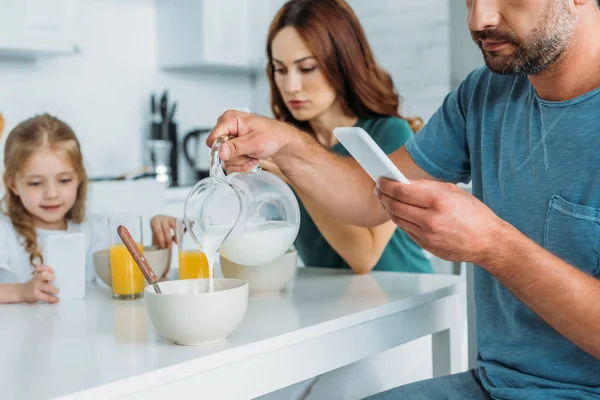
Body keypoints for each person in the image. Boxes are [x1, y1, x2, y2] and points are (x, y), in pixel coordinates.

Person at [207, 0, 600, 398]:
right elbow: (371, 196)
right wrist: (286, 144)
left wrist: (494, 245)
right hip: (495, 387)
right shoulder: (483, 94)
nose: (478, 19)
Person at [152, 0, 432, 276]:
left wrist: (292, 166)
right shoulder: (280, 140)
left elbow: (363, 258)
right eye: (280, 69)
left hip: (403, 295)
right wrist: (182, 226)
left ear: (343, 62)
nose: (291, 86)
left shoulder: (389, 134)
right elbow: (247, 221)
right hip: (333, 302)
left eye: (307, 68)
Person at [0, 114, 92, 304]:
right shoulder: (4, 233)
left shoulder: (93, 230)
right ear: (13, 184)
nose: (51, 194)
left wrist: (161, 235)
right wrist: (22, 291)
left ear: (79, 177)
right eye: (35, 183)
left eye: (64, 180)